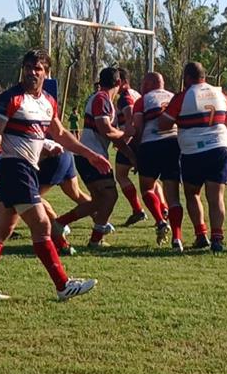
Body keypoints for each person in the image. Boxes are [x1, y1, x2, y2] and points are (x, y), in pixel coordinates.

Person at [0, 49, 109, 301]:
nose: (31, 72)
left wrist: (89, 154)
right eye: (27, 67)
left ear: (46, 72)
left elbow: (60, 133)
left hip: (28, 170)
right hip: (14, 167)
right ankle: (63, 285)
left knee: (2, 230)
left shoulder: (48, 101)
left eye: (37, 68)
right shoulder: (12, 98)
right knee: (43, 224)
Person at [154, 62, 227, 253]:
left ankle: (201, 234)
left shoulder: (183, 97)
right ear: (204, 76)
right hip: (219, 147)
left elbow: (163, 124)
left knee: (193, 193)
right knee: (216, 196)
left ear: (187, 78)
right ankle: (217, 238)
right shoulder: (220, 94)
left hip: (193, 150)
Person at [76, 67, 129, 247]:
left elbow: (113, 137)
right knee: (109, 197)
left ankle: (62, 224)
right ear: (119, 83)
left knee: (100, 200)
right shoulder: (101, 98)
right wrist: (125, 133)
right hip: (92, 156)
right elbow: (105, 130)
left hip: (90, 155)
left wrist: (132, 157)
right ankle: (62, 224)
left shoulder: (104, 100)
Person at [130, 71, 181, 249]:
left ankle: (160, 221)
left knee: (147, 188)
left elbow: (138, 127)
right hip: (174, 144)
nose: (142, 87)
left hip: (150, 145)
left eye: (144, 83)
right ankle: (177, 239)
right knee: (173, 195)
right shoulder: (174, 97)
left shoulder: (142, 100)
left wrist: (137, 151)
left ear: (151, 83)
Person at [37, 140, 94, 256]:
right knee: (77, 194)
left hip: (51, 156)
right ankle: (101, 225)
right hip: (65, 152)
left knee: (32, 198)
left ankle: (58, 228)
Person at [113, 68, 148, 227]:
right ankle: (163, 210)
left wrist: (124, 139)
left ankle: (137, 209)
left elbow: (130, 119)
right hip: (144, 139)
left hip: (132, 140)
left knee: (121, 175)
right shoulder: (138, 95)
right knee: (150, 180)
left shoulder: (124, 98)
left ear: (123, 82)